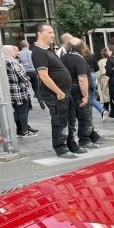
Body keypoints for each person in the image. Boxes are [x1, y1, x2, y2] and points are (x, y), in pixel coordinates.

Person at [31, 23, 86, 158]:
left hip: (65, 92)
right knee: (59, 121)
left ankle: (72, 144)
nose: (53, 35)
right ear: (40, 34)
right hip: (55, 94)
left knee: (70, 119)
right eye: (49, 32)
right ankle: (61, 148)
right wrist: (59, 92)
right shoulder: (38, 52)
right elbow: (43, 76)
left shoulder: (48, 50)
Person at [61, 37, 103, 149]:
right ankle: (85, 140)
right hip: (78, 90)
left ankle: (72, 141)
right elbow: (82, 78)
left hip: (67, 89)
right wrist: (85, 96)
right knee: (85, 116)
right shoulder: (79, 59)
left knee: (71, 117)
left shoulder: (63, 58)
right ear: (82, 47)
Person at [3, 46, 36, 138]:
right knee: (22, 112)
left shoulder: (3, 61)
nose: (17, 53)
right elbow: (22, 75)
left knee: (17, 111)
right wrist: (28, 79)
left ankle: (17, 130)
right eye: (14, 51)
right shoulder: (10, 62)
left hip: (11, 91)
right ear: (9, 51)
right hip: (19, 90)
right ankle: (24, 131)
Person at [18, 40, 45, 110]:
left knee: (26, 88)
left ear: (21, 46)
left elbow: (19, 63)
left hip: (25, 72)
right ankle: (40, 100)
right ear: (28, 45)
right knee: (36, 88)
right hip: (33, 72)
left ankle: (29, 105)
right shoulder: (32, 53)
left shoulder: (19, 54)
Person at [82, 43, 104, 118]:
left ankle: (101, 110)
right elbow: (97, 68)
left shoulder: (80, 57)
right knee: (91, 93)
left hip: (85, 75)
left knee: (88, 96)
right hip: (93, 74)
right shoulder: (91, 56)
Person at [97, 46, 111, 118]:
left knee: (105, 95)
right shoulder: (112, 60)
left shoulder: (100, 62)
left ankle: (106, 109)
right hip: (111, 77)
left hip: (103, 77)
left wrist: (99, 80)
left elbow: (98, 72)